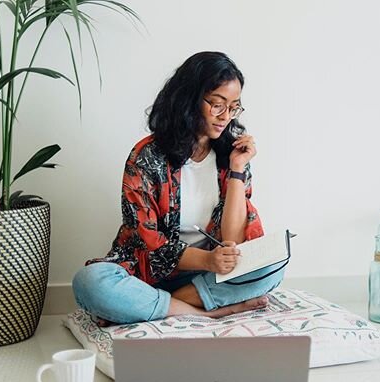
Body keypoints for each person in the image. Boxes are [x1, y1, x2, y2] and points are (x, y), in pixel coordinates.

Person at [72, 52, 285, 325]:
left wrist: (237, 169)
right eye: (217, 104)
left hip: (201, 279)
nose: (225, 116)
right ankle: (209, 311)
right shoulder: (146, 157)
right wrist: (208, 260)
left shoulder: (232, 155)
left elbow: (234, 241)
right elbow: (149, 243)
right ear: (189, 99)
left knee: (273, 265)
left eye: (233, 107)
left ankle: (153, 304)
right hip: (144, 273)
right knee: (90, 282)